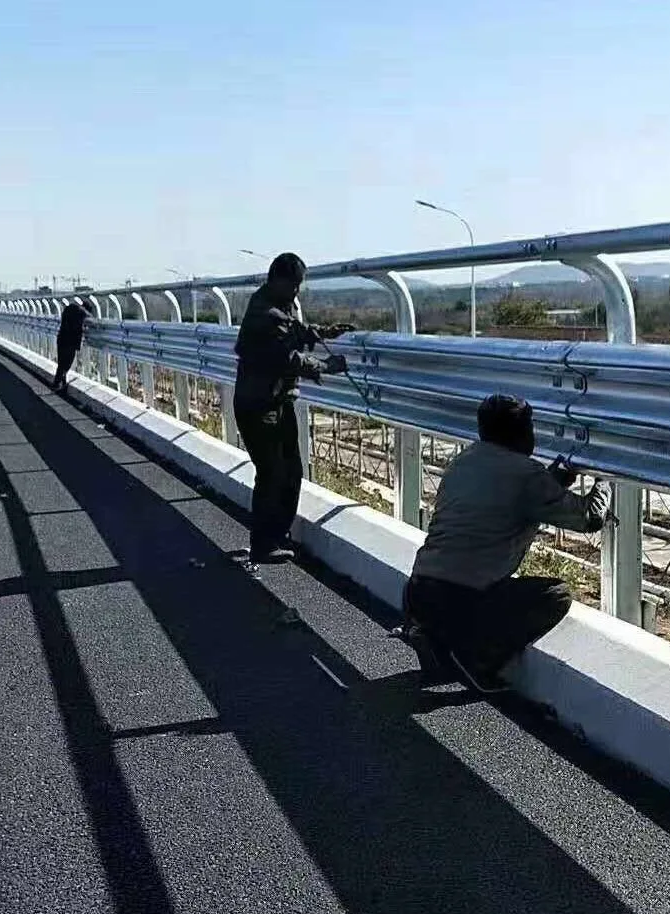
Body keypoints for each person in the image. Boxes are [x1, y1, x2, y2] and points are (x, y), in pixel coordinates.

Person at [403, 393, 612, 691]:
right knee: (556, 594)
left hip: (418, 591)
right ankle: (477, 658)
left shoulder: (463, 461)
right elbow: (590, 518)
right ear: (521, 433)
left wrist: (562, 474)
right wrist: (605, 478)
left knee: (469, 595)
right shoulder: (525, 475)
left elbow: (521, 494)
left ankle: (434, 635)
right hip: (463, 597)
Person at [234, 252, 352, 564]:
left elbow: (292, 329)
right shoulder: (265, 313)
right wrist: (326, 365)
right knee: (272, 473)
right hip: (259, 406)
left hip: (275, 401)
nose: (298, 291)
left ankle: (276, 535)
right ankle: (263, 543)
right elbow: (287, 358)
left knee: (289, 471)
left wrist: (321, 332)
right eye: (295, 285)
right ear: (278, 280)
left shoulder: (275, 303)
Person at [53, 301, 91, 392]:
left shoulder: (69, 308)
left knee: (61, 363)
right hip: (70, 342)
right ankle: (58, 383)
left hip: (61, 339)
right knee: (67, 363)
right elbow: (80, 324)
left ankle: (60, 383)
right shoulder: (80, 313)